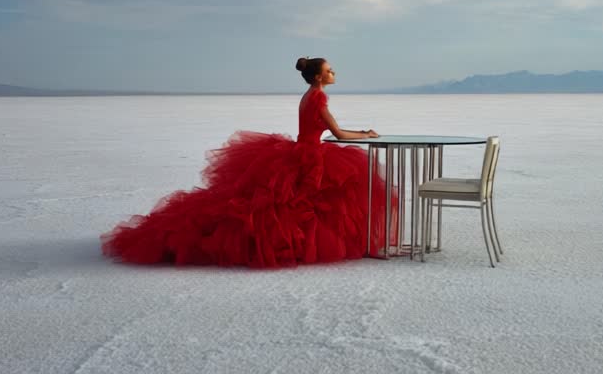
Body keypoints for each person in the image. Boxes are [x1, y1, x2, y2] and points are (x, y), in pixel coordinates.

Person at [101, 57, 393, 267]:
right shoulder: (319, 98)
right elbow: (338, 132)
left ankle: (302, 245)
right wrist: (366, 133)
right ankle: (295, 247)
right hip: (310, 155)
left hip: (301, 149)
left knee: (290, 205)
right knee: (301, 204)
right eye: (330, 70)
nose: (333, 73)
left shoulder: (308, 95)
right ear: (318, 77)